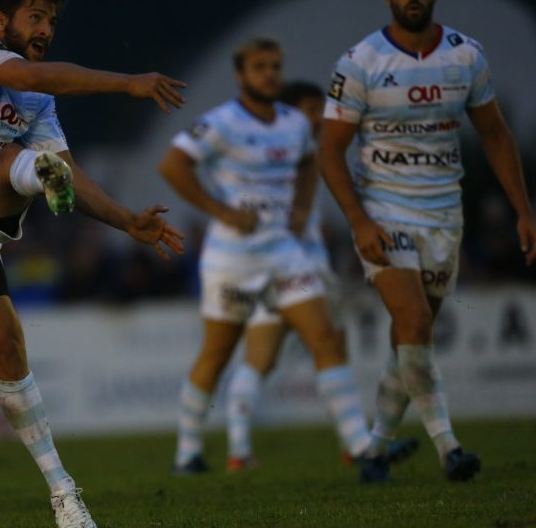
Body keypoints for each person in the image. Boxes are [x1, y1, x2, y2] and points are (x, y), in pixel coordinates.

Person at [0, 0, 186, 528]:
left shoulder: (37, 103)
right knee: (3, 346)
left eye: (52, 22)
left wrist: (128, 221)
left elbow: (75, 171)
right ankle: (34, 173)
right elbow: (29, 74)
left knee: (20, 167)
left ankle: (63, 495)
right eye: (36, 17)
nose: (47, 29)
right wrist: (128, 82)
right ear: (1, 21)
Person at [319, 0, 536, 482]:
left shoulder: (466, 56)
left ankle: (374, 450)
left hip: (444, 214)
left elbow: (494, 134)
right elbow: (329, 151)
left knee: (409, 339)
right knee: (415, 321)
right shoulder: (361, 62)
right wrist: (359, 221)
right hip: (383, 210)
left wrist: (524, 212)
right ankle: (449, 448)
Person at [159, 38, 378, 478]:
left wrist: (299, 211)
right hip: (231, 261)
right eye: (260, 68)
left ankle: (365, 451)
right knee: (218, 354)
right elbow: (172, 165)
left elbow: (310, 162)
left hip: (283, 254)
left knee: (326, 338)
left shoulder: (295, 123)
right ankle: (188, 450)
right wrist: (220, 211)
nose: (270, 75)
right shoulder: (221, 123)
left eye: (275, 66)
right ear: (241, 76)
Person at [222, 81, 417, 470]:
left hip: (274, 268)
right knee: (327, 347)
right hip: (294, 268)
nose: (319, 116)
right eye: (312, 109)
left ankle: (240, 451)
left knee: (261, 360)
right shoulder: (290, 149)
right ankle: (361, 447)